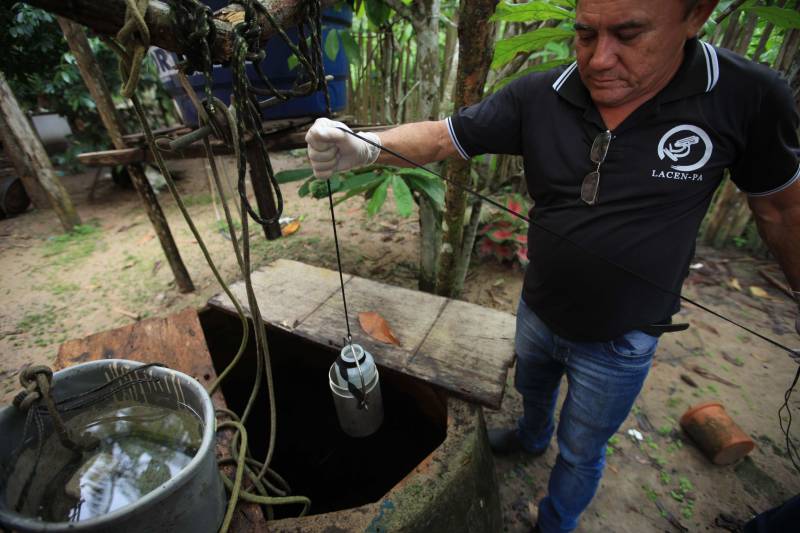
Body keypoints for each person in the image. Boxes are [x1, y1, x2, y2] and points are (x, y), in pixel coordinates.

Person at [305, 1, 800, 531]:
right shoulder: (541, 94)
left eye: (629, 35)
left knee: (583, 447)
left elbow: (780, 208)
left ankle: (556, 522)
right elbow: (446, 136)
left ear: (695, 15)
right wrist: (368, 145)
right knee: (531, 392)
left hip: (622, 338)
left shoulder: (746, 95)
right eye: (585, 35)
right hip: (538, 309)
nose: (600, 58)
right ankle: (529, 436)